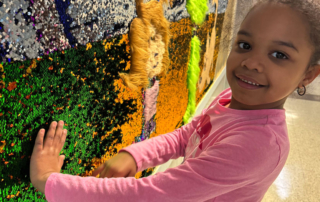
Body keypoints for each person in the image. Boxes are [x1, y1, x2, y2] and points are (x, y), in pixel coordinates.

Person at [30, 0, 320, 201]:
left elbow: (150, 195)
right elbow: (186, 136)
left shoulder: (258, 146)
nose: (252, 63)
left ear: (309, 74)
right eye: (245, 45)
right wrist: (135, 155)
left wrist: (48, 181)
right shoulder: (233, 97)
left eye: (279, 55)